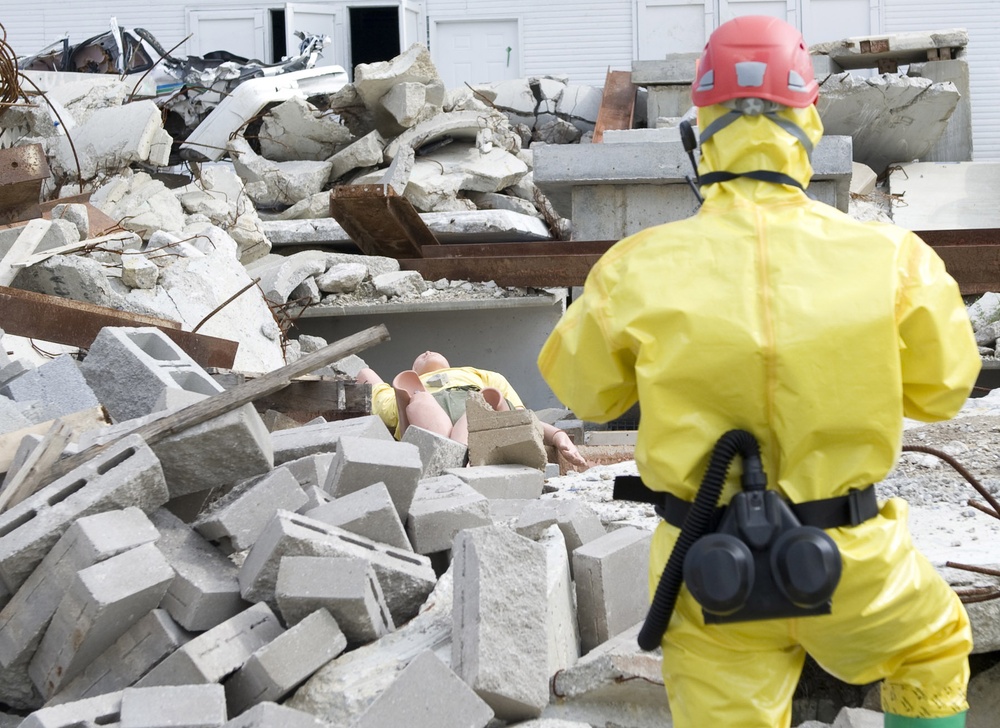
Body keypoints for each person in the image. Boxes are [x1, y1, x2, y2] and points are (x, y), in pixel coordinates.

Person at [537, 15, 980, 728]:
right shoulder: (893, 260)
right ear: (808, 123)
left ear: (699, 130)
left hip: (706, 569)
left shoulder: (636, 267)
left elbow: (586, 390)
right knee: (929, 651)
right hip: (852, 559)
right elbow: (941, 392)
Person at [358, 351, 588, 470]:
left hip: (479, 415)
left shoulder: (478, 374)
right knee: (418, 402)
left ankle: (455, 458)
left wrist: (559, 437)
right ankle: (458, 457)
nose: (427, 351)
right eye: (420, 356)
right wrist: (403, 395)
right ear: (414, 369)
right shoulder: (413, 383)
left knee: (487, 399)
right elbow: (365, 376)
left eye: (432, 351)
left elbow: (519, 419)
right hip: (430, 420)